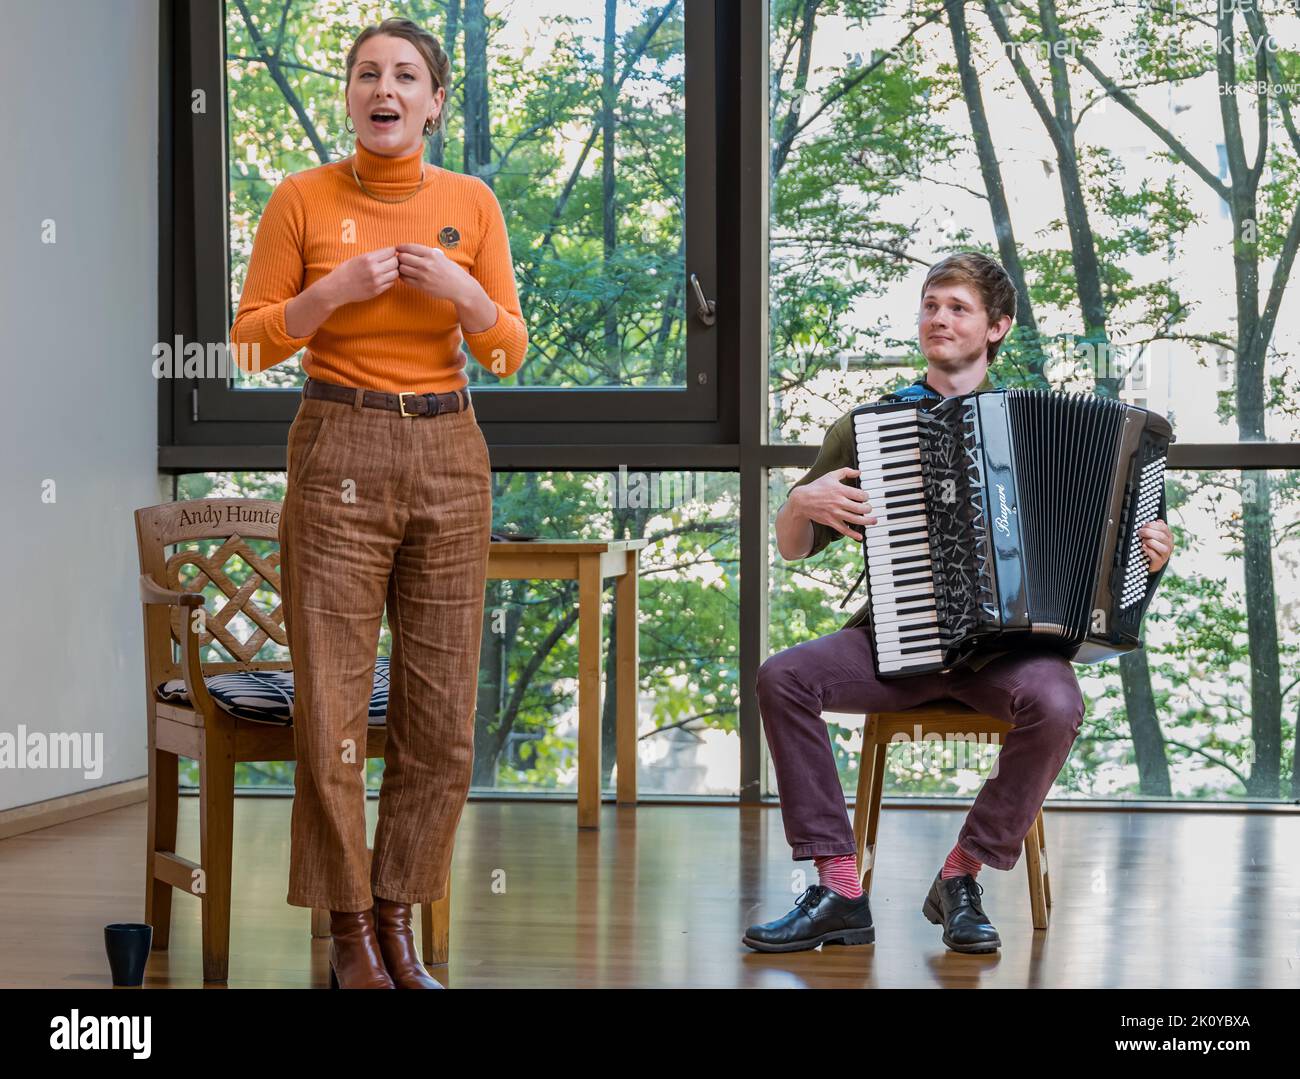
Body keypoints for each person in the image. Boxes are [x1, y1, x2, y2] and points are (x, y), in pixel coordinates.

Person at [744, 252, 1174, 955]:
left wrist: (1149, 550)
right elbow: (794, 545)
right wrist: (798, 501)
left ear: (996, 327)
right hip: (898, 640)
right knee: (782, 675)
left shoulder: (1033, 421)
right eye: (930, 304)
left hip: (1007, 656)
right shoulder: (871, 425)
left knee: (1060, 704)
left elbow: (1111, 561)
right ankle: (840, 888)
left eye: (958, 307)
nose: (938, 318)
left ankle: (960, 876)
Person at [229, 17, 528, 987]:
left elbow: (506, 349)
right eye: (367, 74)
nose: (384, 87)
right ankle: (350, 928)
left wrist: (464, 295)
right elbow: (247, 344)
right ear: (350, 96)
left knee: (441, 716)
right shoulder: (302, 199)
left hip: (450, 444)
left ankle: (402, 917)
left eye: (405, 75)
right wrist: (332, 295)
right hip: (338, 437)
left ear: (435, 103)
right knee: (333, 707)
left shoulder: (471, 203)